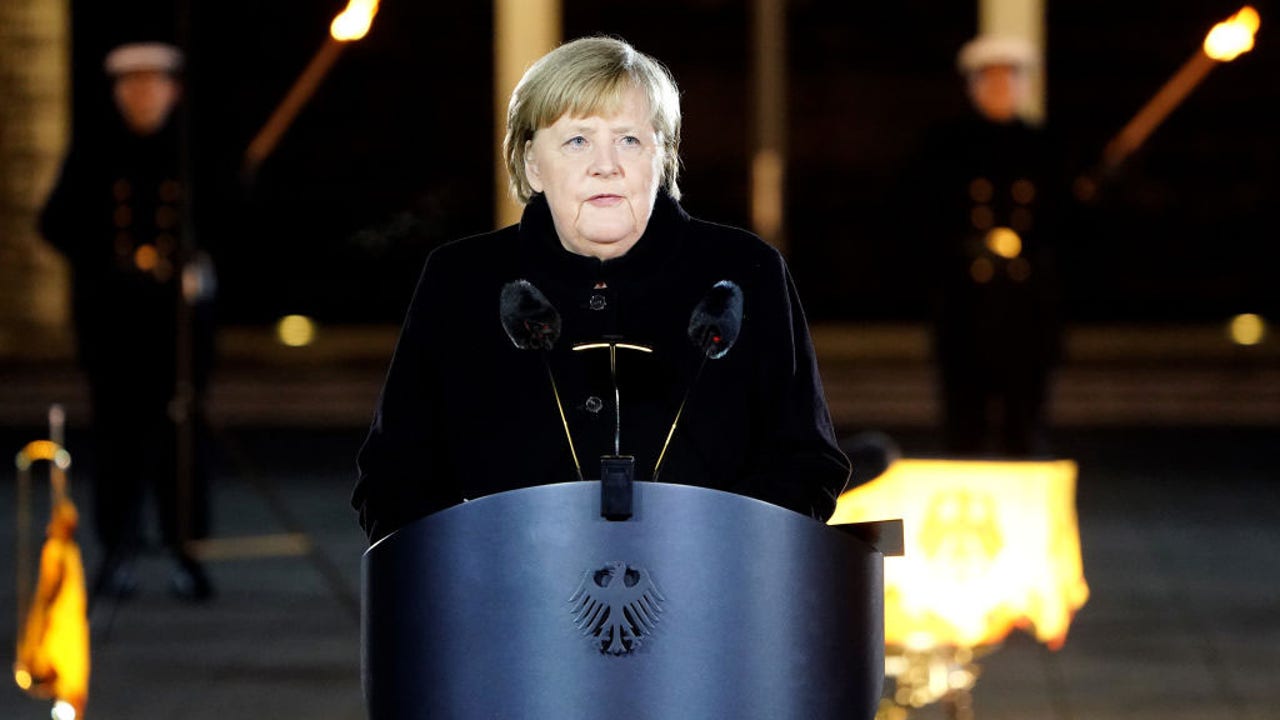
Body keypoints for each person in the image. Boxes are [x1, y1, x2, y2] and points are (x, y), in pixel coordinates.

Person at [353, 36, 851, 543]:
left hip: (712, 582)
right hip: (506, 585)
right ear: (531, 163)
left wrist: (711, 549)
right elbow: (394, 479)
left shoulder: (748, 269)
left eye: (629, 140)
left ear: (663, 156)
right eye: (578, 141)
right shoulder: (460, 279)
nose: (605, 165)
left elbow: (806, 464)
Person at [39, 38, 217, 601]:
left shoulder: (192, 149)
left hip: (177, 322)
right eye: (131, 84)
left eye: (153, 83)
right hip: (114, 318)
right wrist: (108, 265)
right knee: (117, 437)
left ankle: (187, 550)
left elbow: (231, 217)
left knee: (181, 435)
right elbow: (55, 222)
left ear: (173, 90)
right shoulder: (94, 150)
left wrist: (199, 257)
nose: (142, 94)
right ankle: (118, 549)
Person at [904, 35, 1070, 458]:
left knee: (1025, 422)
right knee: (964, 424)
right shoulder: (945, 147)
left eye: (1009, 79)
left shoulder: (1046, 146)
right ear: (973, 86)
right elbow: (924, 217)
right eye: (989, 80)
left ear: (1024, 85)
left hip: (1028, 307)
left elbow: (1064, 223)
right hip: (966, 305)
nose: (1000, 88)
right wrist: (969, 248)